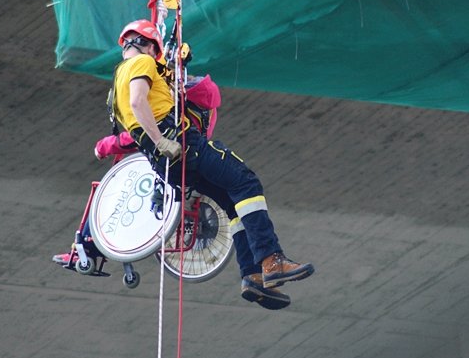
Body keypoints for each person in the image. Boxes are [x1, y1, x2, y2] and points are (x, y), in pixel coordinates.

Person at [96, 19, 314, 310]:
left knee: (231, 200)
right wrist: (162, 139)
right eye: (154, 52)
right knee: (246, 181)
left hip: (166, 162)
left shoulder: (116, 85)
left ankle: (252, 275)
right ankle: (271, 261)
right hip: (182, 144)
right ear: (147, 45)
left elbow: (136, 111)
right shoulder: (142, 63)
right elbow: (139, 102)